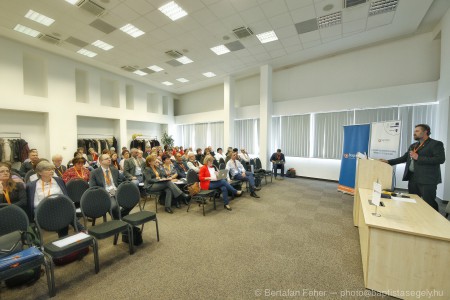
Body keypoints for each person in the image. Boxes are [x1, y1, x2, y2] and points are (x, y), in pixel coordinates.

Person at [380, 124, 445, 211]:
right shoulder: (413, 145)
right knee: (413, 200)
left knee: (429, 203)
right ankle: (415, 220)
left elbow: (440, 159)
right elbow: (404, 158)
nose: (414, 133)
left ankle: (434, 222)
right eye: (414, 131)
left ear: (425, 132)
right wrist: (388, 162)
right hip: (413, 178)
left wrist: (418, 158)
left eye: (417, 131)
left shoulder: (436, 144)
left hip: (427, 180)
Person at [26, 161, 85, 236]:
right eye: (48, 170)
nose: (51, 171)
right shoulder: (32, 186)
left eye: (52, 169)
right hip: (44, 211)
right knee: (65, 214)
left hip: (60, 208)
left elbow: (64, 196)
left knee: (67, 211)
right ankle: (80, 230)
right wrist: (50, 204)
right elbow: (34, 204)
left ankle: (71, 233)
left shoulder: (58, 181)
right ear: (40, 173)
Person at [89, 154, 129, 220]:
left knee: (131, 201)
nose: (109, 159)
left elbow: (119, 182)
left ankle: (120, 219)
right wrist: (104, 193)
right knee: (114, 206)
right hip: (105, 194)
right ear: (101, 161)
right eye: (106, 158)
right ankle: (123, 223)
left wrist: (121, 190)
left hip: (116, 191)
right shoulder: (94, 172)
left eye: (109, 158)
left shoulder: (114, 170)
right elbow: (92, 187)